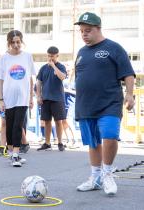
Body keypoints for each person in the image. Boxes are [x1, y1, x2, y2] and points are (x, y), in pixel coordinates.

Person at [74, 12, 135, 196]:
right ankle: (95, 178)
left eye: (88, 30)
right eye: (82, 31)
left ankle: (108, 173)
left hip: (109, 103)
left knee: (109, 136)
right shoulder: (82, 52)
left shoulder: (113, 48)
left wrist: (130, 95)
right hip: (86, 105)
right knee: (93, 143)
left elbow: (128, 74)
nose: (84, 34)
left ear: (98, 28)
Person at [0, 30, 35, 167]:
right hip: (8, 97)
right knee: (10, 125)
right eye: (13, 42)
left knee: (18, 125)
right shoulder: (4, 58)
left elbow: (30, 79)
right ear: (9, 43)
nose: (16, 45)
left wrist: (31, 98)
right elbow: (0, 81)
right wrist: (0, 100)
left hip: (22, 98)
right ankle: (12, 153)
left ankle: (16, 154)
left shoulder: (28, 57)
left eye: (18, 42)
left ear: (21, 42)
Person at [36, 46, 67, 152]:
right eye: (49, 56)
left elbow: (62, 77)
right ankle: (47, 143)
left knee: (58, 121)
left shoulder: (61, 66)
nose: (50, 58)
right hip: (45, 98)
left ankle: (60, 142)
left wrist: (54, 66)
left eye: (52, 56)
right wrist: (38, 96)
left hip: (57, 98)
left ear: (57, 56)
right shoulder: (43, 68)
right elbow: (39, 82)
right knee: (47, 121)